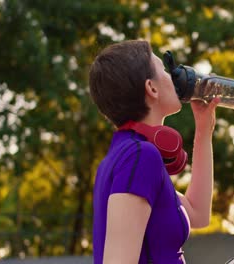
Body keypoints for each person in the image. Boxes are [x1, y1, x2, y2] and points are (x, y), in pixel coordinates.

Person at [89, 39, 219, 264]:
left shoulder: (128, 153)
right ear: (151, 88)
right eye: (164, 71)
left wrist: (204, 130)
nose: (173, 77)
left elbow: (197, 214)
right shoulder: (140, 156)